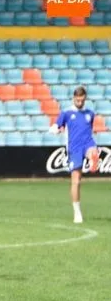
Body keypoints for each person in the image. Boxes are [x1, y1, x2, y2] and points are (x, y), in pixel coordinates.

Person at [50, 86, 99, 224]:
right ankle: (77, 212)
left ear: (85, 99)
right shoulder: (66, 113)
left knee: (93, 151)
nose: (80, 102)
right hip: (74, 148)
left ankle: (93, 159)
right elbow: (55, 126)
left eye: (82, 100)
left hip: (87, 143)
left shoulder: (90, 113)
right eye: (78, 100)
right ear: (73, 98)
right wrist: (55, 130)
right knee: (76, 181)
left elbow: (89, 129)